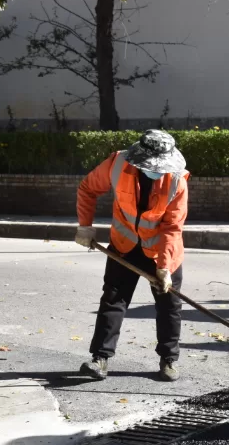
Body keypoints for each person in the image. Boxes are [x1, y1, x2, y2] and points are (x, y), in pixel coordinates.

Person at [74, 130, 190, 382]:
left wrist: (164, 267)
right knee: (113, 299)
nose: (157, 171)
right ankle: (100, 358)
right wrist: (85, 226)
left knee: (169, 305)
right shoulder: (117, 164)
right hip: (124, 245)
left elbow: (172, 228)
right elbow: (87, 188)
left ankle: (168, 360)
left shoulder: (176, 182)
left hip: (161, 251)